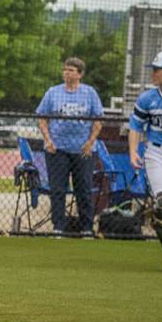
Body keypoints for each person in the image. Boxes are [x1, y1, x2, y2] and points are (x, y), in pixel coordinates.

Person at [127, 51, 162, 273]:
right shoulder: (147, 98)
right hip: (157, 154)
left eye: (156, 70)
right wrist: (133, 152)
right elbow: (136, 127)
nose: (152, 74)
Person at [36, 57, 105, 236]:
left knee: (83, 189)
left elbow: (98, 119)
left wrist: (90, 143)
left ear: (80, 74)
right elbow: (42, 117)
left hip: (83, 150)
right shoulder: (53, 92)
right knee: (58, 189)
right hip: (57, 149)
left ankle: (87, 229)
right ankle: (58, 227)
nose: (67, 73)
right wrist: (48, 140)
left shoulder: (89, 93)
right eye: (65, 70)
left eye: (71, 70)